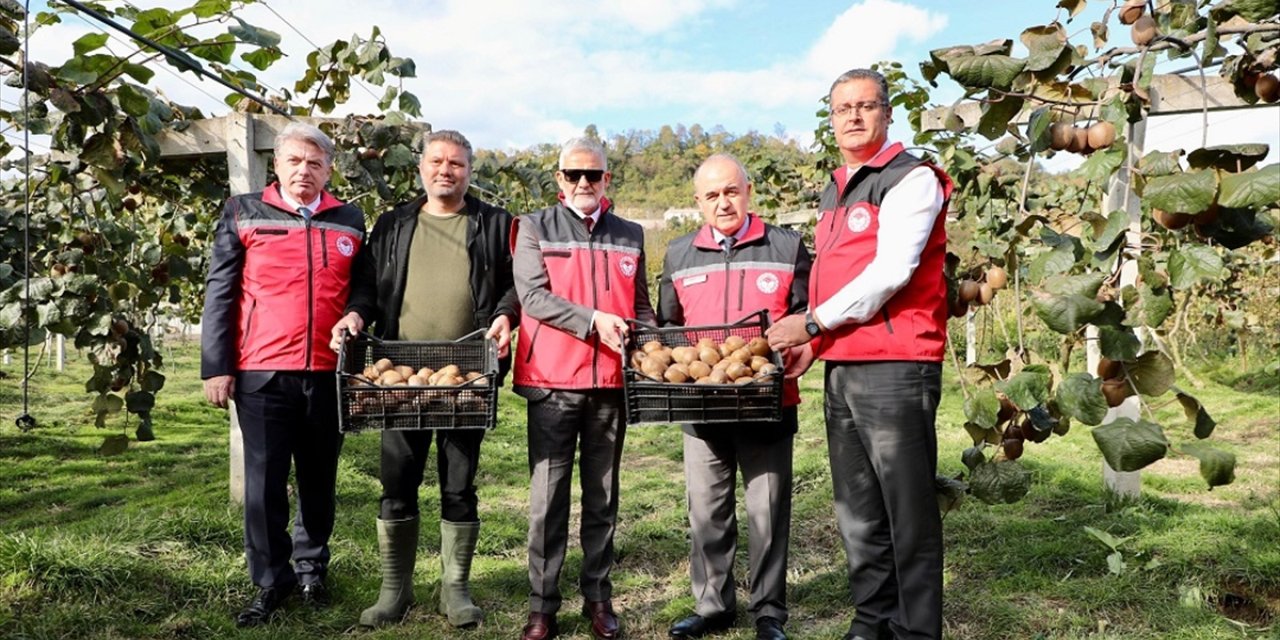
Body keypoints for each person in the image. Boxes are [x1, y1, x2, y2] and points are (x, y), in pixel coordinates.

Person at [765, 68, 954, 640]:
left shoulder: (910, 179)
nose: (852, 116)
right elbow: (834, 279)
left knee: (908, 510)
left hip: (897, 367)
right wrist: (816, 344)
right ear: (831, 118)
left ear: (887, 113)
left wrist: (812, 322)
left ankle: (916, 630)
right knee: (858, 509)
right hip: (844, 366)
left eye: (865, 105)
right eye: (842, 107)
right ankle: (872, 620)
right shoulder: (837, 188)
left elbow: (891, 272)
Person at [329, 130, 518, 629]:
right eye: (437, 161)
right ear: (421, 168)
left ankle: (454, 588)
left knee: (460, 483)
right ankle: (396, 588)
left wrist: (505, 315)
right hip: (401, 375)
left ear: (469, 170)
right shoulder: (393, 224)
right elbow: (367, 286)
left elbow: (514, 285)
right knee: (397, 481)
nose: (445, 170)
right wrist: (354, 315)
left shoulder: (494, 224)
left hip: (466, 376)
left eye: (456, 163)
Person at [200, 122, 366, 627]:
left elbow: (365, 288)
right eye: (294, 161)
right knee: (264, 483)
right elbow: (220, 291)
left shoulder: (350, 219)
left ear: (329, 170)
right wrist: (217, 366)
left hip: (327, 372)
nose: (304, 171)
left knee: (319, 479)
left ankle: (312, 567)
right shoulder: (244, 212)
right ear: (278, 165)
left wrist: (357, 312)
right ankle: (271, 581)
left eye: (315, 163)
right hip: (262, 372)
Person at [658, 155, 811, 640]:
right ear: (698, 202)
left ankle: (768, 611)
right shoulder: (679, 254)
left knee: (767, 508)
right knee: (706, 508)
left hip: (768, 399)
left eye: (731, 191)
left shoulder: (786, 245)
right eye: (711, 195)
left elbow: (810, 313)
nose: (723, 202)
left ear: (747, 191)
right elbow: (667, 327)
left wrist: (808, 347)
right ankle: (712, 606)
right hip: (702, 404)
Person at [511, 137, 655, 640]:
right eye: (573, 175)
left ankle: (598, 597)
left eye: (592, 175)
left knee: (602, 496)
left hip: (610, 385)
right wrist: (594, 320)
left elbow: (638, 304)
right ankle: (542, 606)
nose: (583, 184)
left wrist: (649, 344)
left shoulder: (630, 234)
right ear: (558, 180)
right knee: (547, 499)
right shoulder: (533, 227)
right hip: (552, 381)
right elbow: (532, 296)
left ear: (607, 180)